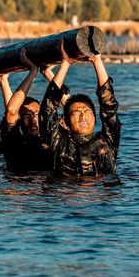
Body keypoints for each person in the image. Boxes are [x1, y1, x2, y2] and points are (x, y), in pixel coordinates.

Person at [39, 43, 121, 177]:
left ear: (95, 118)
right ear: (65, 122)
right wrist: (65, 63)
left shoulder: (107, 142)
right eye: (76, 112)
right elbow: (48, 109)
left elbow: (109, 106)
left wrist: (97, 61)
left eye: (87, 111)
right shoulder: (58, 143)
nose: (83, 115)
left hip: (101, 189)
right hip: (67, 189)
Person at [0, 50, 57, 173]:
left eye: (37, 114)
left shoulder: (53, 137)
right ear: (20, 119)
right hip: (21, 179)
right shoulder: (16, 142)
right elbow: (12, 112)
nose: (33, 120)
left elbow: (70, 107)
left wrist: (48, 74)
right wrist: (33, 72)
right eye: (27, 116)